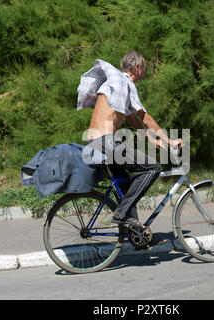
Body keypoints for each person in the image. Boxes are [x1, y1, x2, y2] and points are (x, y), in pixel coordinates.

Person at [77, 50, 182, 238]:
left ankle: (135, 235)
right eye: (145, 68)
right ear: (137, 68)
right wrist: (169, 140)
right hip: (106, 142)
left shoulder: (115, 84)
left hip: (95, 142)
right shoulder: (125, 83)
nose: (146, 72)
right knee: (152, 168)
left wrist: (150, 138)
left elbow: (132, 117)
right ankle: (120, 214)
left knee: (126, 186)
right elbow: (146, 118)